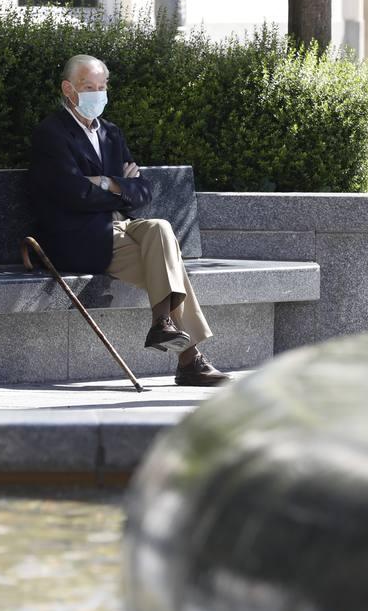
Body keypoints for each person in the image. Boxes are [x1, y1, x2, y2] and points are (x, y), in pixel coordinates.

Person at [28, 54, 231, 387]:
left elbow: (143, 192)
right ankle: (188, 359)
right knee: (171, 269)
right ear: (68, 89)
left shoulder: (111, 133)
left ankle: (162, 324)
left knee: (161, 228)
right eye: (88, 87)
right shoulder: (52, 134)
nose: (97, 94)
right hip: (79, 236)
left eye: (101, 87)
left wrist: (104, 182)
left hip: (119, 227)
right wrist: (120, 185)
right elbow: (72, 194)